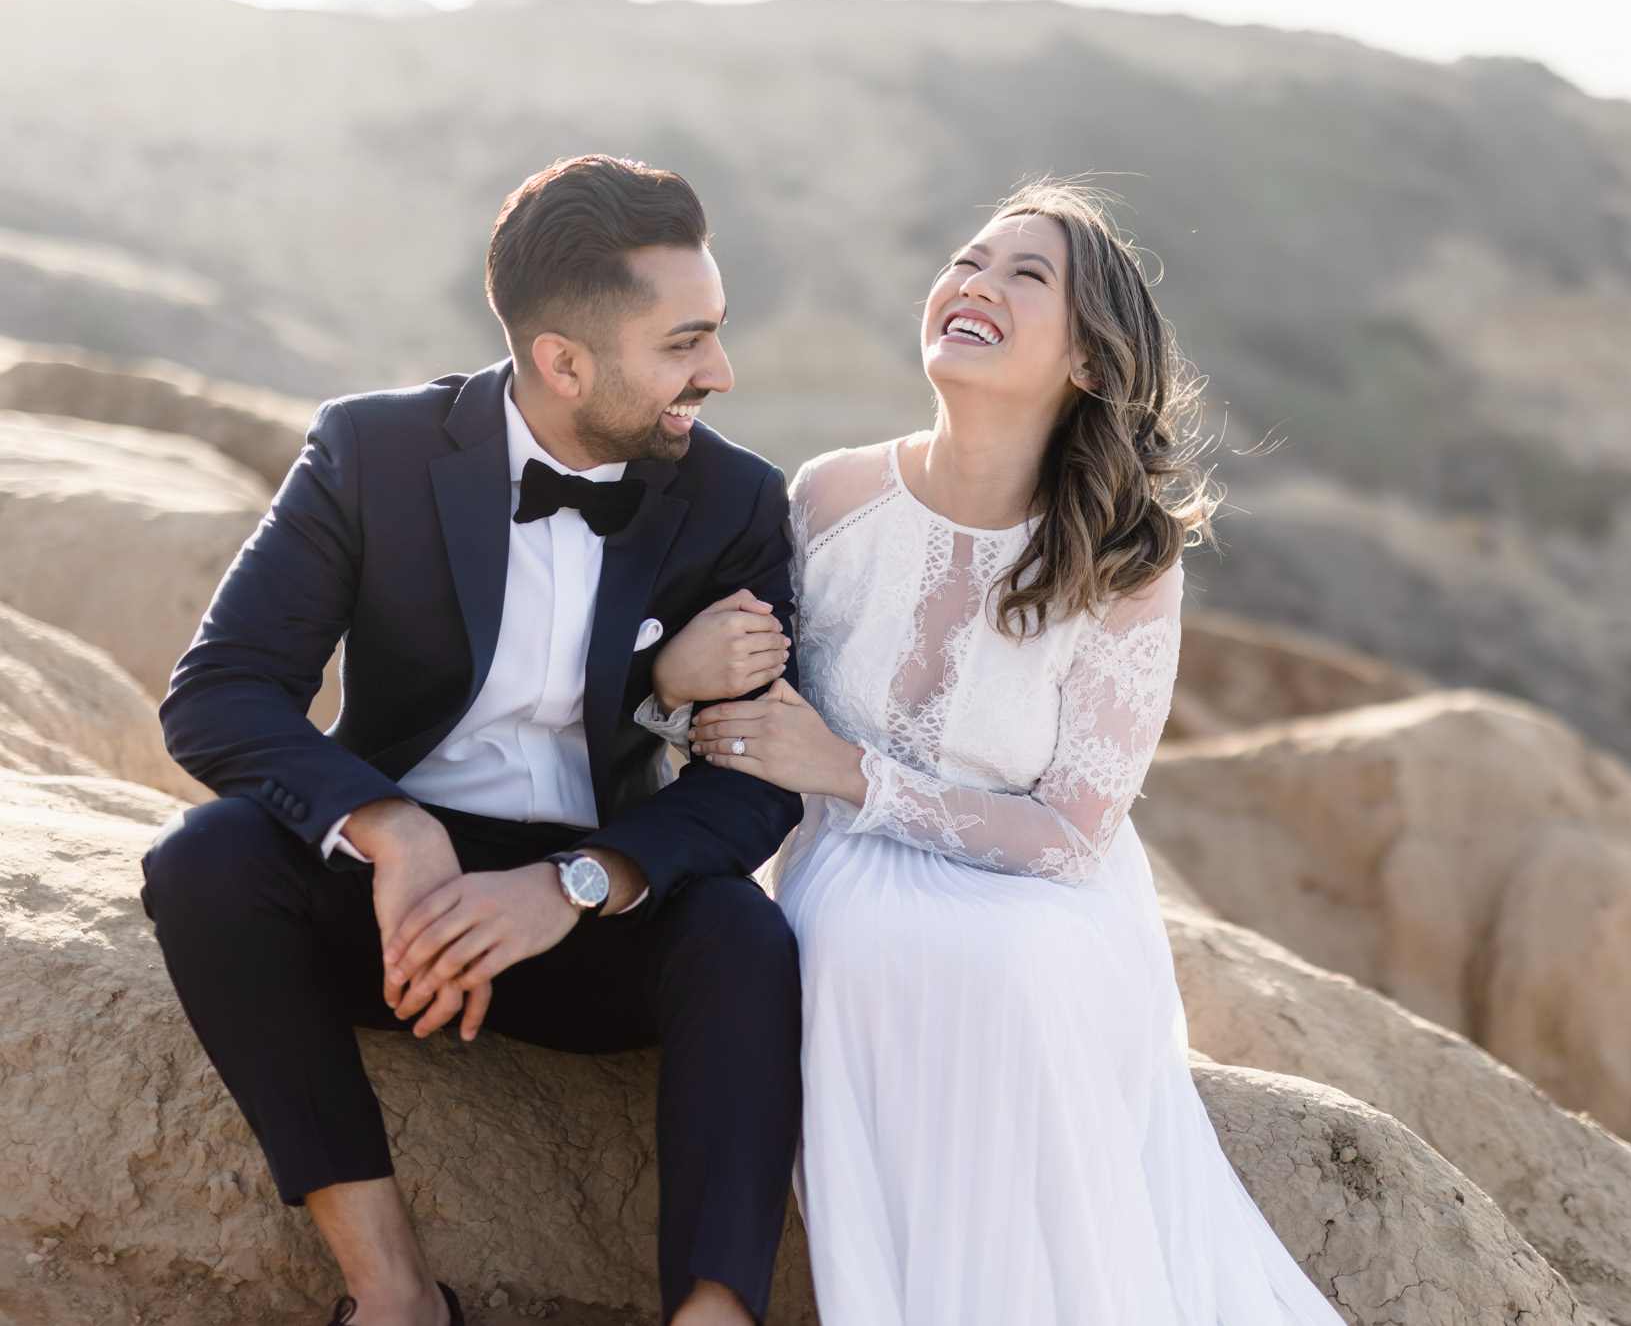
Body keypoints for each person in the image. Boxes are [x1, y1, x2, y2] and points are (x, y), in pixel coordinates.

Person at [644, 181, 1347, 1324]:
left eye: (1027, 277)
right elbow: (740, 717)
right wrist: (681, 687)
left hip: (1041, 886)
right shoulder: (829, 497)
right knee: (854, 941)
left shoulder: (1124, 561)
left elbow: (1073, 832)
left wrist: (851, 772)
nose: (975, 285)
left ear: (1086, 360)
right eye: (969, 260)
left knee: (1013, 972)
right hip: (844, 861)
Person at [140, 155, 804, 1326]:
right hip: (397, 920)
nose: (721, 372)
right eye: (685, 342)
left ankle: (712, 1315)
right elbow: (221, 691)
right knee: (207, 862)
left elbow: (756, 790)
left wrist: (576, 881)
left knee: (742, 934)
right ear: (562, 360)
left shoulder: (735, 501)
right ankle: (393, 1293)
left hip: (595, 917)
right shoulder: (371, 451)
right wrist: (391, 833)